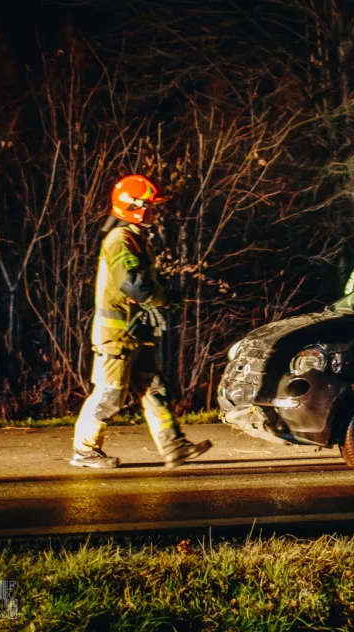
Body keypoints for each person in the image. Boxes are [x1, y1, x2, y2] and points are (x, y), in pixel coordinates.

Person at [71, 175, 212, 469]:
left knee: (155, 390)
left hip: (138, 331)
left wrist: (165, 295)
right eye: (150, 207)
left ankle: (174, 447)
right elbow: (134, 286)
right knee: (109, 395)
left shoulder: (136, 239)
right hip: (117, 336)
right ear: (134, 207)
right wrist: (163, 298)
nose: (155, 213)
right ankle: (84, 451)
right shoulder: (119, 240)